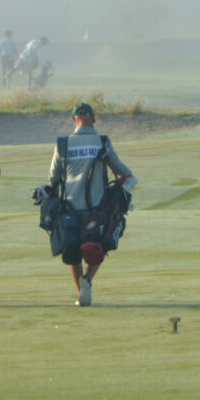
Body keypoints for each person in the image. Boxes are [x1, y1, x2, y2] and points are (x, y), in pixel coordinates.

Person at [46, 102, 136, 307]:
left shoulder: (63, 143)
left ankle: (81, 293)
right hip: (98, 208)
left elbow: (53, 178)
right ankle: (88, 279)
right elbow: (122, 170)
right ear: (93, 119)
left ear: (73, 119)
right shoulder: (102, 141)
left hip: (69, 207)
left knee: (73, 251)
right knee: (99, 246)